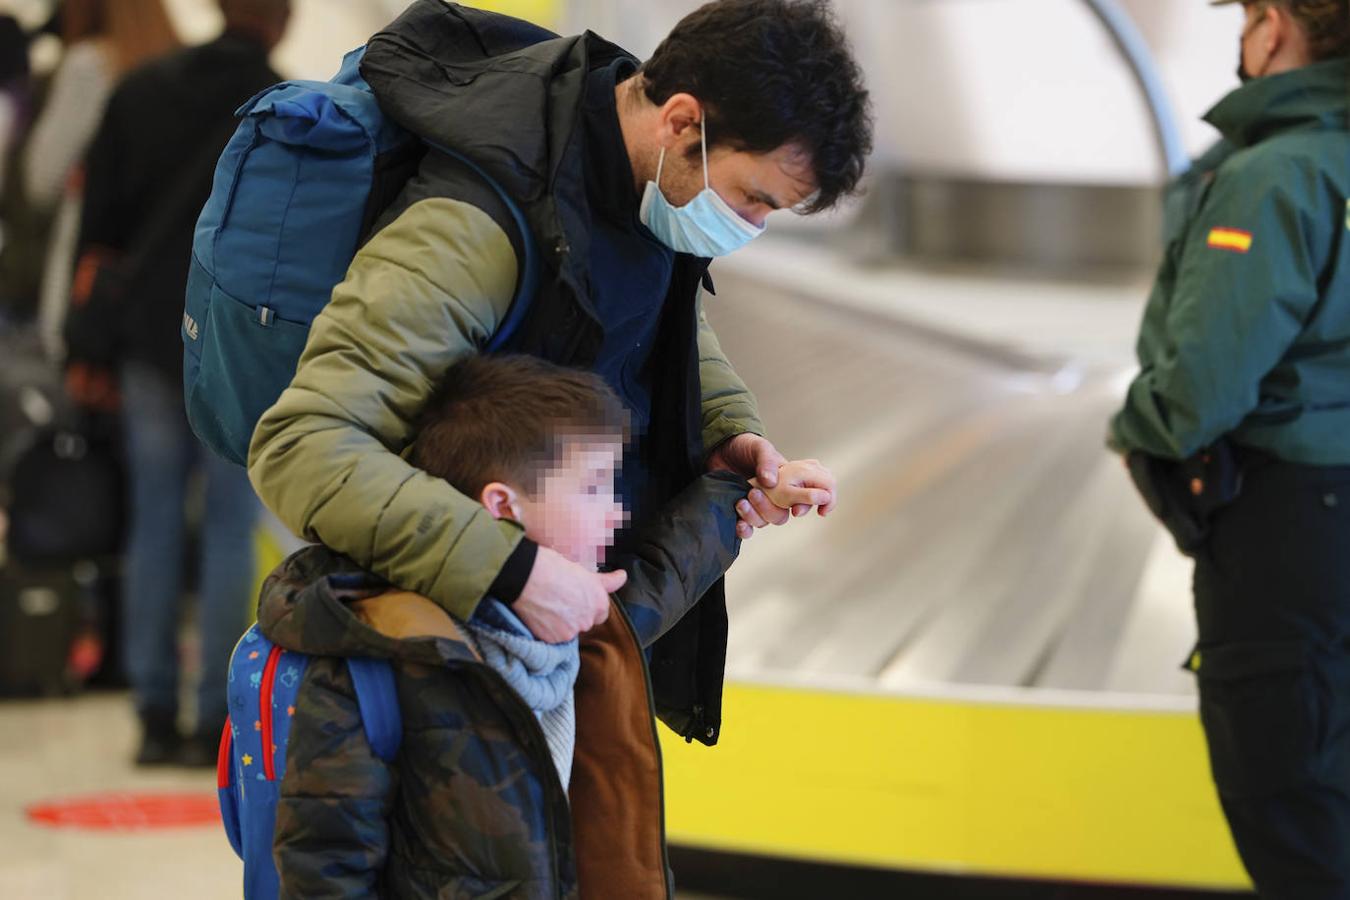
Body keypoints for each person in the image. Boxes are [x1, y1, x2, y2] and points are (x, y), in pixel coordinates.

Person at [248, 0, 870, 750]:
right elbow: (300, 444)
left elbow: (655, 312)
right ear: (680, 123)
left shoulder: (634, 186)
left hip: (528, 664)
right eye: (752, 199)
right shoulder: (470, 232)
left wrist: (727, 430)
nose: (750, 227)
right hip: (431, 682)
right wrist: (510, 572)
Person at [260, 353, 830, 898]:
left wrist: (744, 487)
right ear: (503, 505)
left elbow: (667, 571)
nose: (617, 512)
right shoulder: (383, 658)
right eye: (592, 488)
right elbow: (325, 860)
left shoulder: (577, 623)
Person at [1109, 1, 1350, 895]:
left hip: (1285, 526)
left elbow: (1199, 387)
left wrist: (1133, 432)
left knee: (1289, 803)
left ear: (1275, 27)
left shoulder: (1275, 176)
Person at [75, 0, 292, 766]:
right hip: (237, 346)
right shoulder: (286, 109)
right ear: (281, 18)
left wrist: (90, 343)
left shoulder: (141, 92)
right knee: (232, 527)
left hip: (147, 339)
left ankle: (153, 714)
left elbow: (98, 227)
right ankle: (216, 723)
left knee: (154, 521)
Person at [22, 0, 179, 361]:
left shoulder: (90, 64)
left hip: (90, 293)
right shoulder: (177, 66)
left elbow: (42, 180)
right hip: (160, 301)